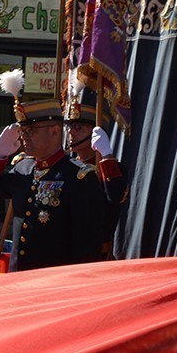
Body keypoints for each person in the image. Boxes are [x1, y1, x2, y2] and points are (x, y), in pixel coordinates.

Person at [0, 98, 105, 273]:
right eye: (22, 130)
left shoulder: (79, 177)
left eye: (30, 130)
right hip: (18, 276)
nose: (24, 136)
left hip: (54, 281)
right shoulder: (23, 167)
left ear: (54, 131)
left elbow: (86, 245)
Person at [64, 88, 129, 260]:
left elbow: (115, 196)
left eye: (78, 128)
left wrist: (106, 155)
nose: (70, 132)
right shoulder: (66, 167)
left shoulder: (113, 169)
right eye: (69, 126)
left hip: (95, 255)